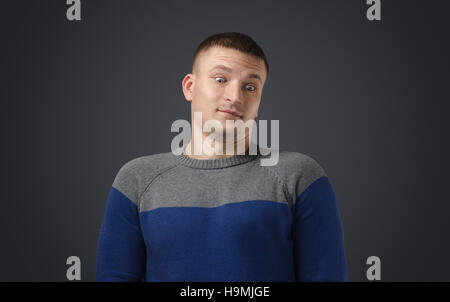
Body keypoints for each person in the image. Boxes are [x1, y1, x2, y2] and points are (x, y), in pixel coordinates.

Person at [95, 32, 348, 282]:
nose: (236, 97)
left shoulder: (299, 176)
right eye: (220, 79)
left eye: (250, 87)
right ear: (189, 87)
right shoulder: (137, 179)